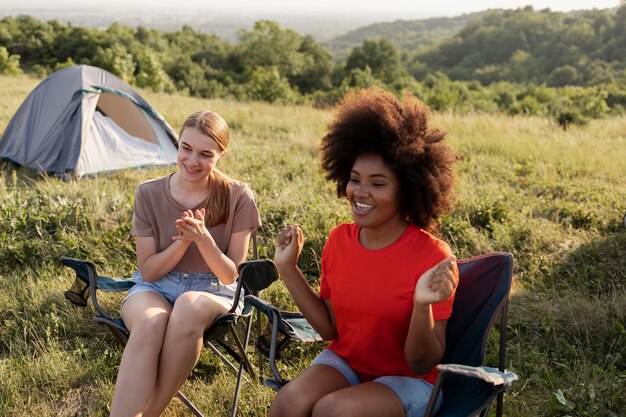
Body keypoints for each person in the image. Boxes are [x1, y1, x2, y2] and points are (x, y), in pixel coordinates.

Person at [270, 87, 458, 417]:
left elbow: (422, 362)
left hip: (410, 381)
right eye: (355, 179)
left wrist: (421, 305)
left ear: (408, 190)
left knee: (334, 411)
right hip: (349, 363)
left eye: (378, 183)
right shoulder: (339, 240)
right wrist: (288, 269)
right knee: (288, 402)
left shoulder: (432, 256)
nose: (360, 192)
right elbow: (330, 331)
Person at [110, 110, 261, 417]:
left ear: (221, 155)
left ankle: (150, 413)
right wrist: (182, 243)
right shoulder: (148, 193)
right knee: (152, 322)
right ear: (177, 145)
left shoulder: (238, 196)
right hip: (156, 285)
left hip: (214, 289)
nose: (192, 161)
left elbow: (230, 274)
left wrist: (203, 239)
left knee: (189, 306)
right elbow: (149, 271)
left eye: (205, 154)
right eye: (186, 148)